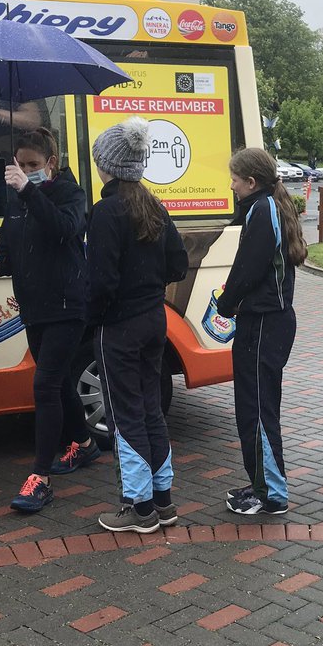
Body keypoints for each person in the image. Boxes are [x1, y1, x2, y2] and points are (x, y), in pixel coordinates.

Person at [0, 128, 94, 512]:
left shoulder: (70, 194)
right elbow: (9, 243)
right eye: (20, 165)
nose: (25, 171)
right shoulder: (17, 197)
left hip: (67, 305)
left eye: (33, 165)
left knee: (44, 386)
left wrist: (29, 190)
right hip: (34, 307)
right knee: (57, 381)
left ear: (51, 163)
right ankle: (86, 443)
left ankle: (39, 478)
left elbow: (64, 230)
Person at [87, 119, 188, 533]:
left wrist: (93, 318)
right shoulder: (153, 204)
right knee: (150, 410)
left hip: (119, 328)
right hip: (153, 321)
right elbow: (178, 264)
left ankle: (139, 507)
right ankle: (163, 501)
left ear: (105, 164)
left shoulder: (105, 211)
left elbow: (101, 282)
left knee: (125, 415)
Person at [216, 149, 306, 517]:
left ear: (251, 182)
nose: (232, 185)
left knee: (256, 408)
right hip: (267, 320)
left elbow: (248, 268)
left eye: (235, 179)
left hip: (266, 323)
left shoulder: (263, 209)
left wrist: (226, 301)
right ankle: (263, 483)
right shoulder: (265, 206)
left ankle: (271, 494)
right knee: (254, 406)